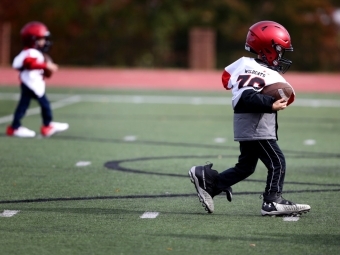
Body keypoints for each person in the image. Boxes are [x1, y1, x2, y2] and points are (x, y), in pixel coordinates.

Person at [189, 20, 311, 216]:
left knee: (246, 167)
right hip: (256, 126)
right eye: (279, 50)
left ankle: (210, 184)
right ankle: (272, 201)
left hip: (248, 125)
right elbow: (246, 96)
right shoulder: (258, 71)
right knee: (277, 162)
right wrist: (270, 104)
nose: (281, 55)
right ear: (267, 48)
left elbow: (228, 82)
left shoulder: (244, 65)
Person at [6, 21, 69, 138]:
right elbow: (29, 63)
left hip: (31, 84)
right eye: (41, 39)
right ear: (32, 40)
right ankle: (46, 126)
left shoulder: (34, 53)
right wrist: (46, 66)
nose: (44, 42)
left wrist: (45, 71)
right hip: (30, 85)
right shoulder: (30, 53)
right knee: (44, 105)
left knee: (24, 106)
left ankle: (15, 127)